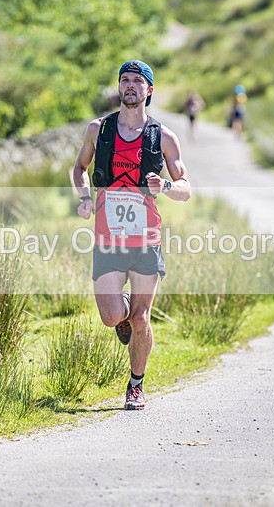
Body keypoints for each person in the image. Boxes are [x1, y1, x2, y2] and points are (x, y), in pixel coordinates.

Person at [72, 60, 191, 410]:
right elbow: (80, 168)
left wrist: (167, 185)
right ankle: (121, 315)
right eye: (125, 79)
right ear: (119, 87)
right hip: (108, 236)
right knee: (111, 316)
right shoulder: (99, 130)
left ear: (149, 90)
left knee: (142, 318)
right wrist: (84, 197)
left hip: (146, 238)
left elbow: (186, 188)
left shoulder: (164, 136)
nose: (130, 85)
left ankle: (135, 386)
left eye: (138, 81)